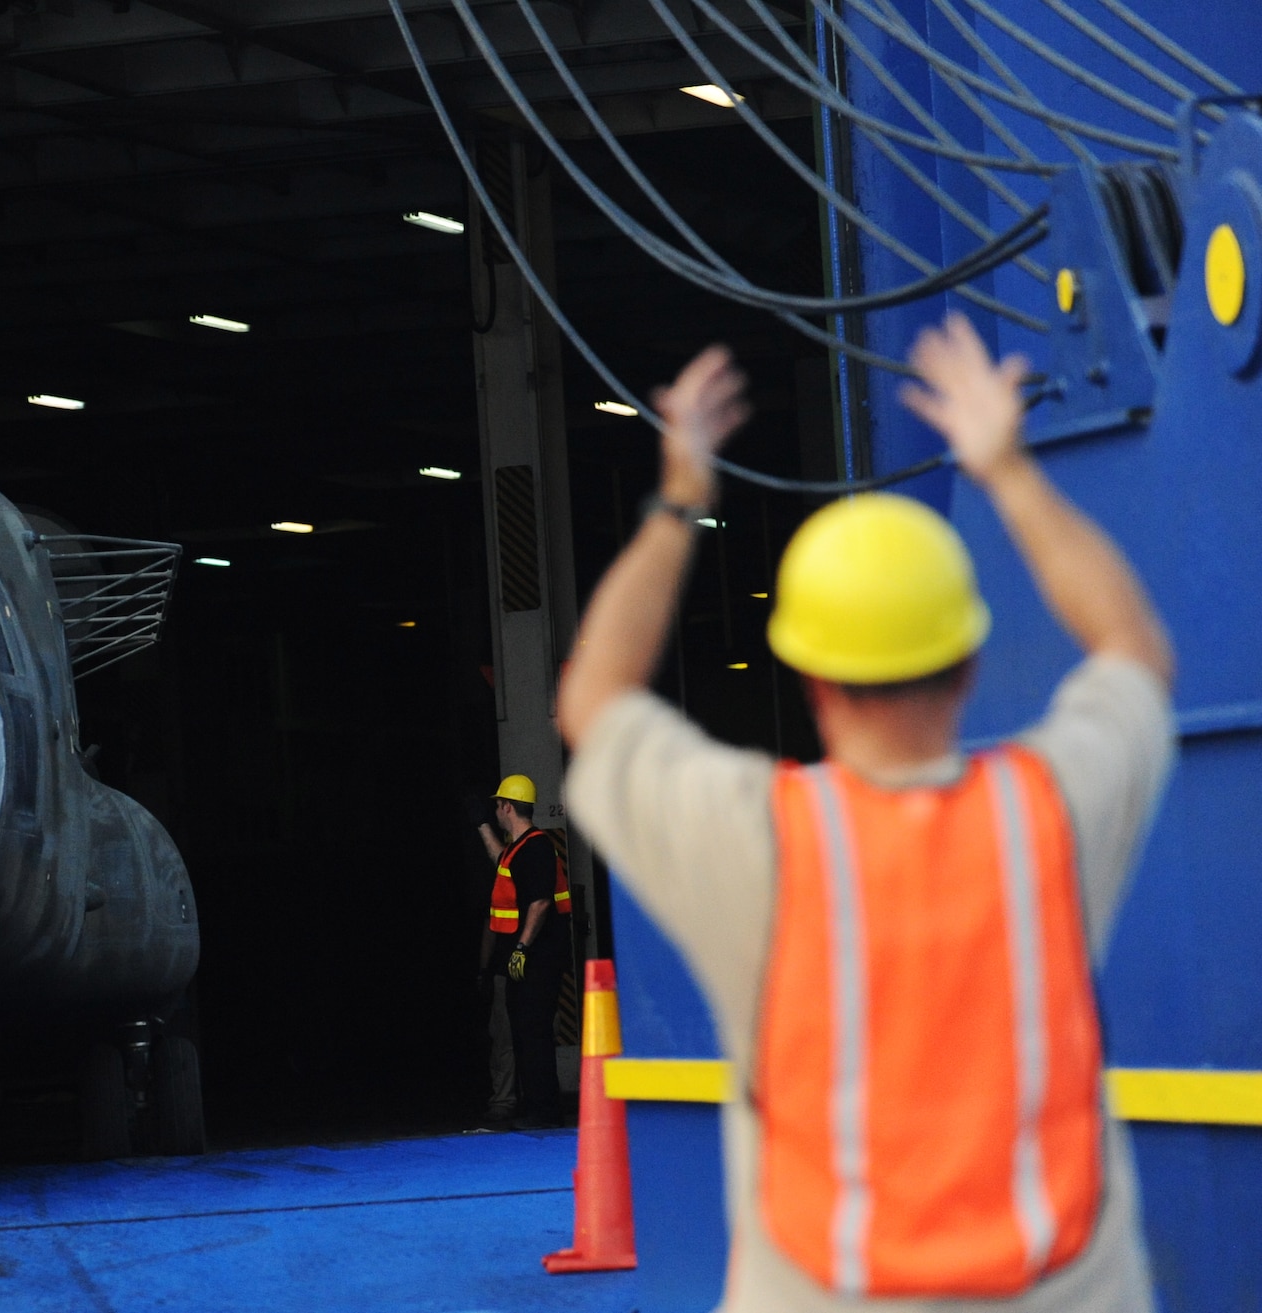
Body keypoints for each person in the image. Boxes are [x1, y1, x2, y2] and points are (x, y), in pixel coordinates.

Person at [555, 314, 1174, 1312]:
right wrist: (1004, 471)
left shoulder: (754, 838)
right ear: (970, 663)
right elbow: (1132, 648)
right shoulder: (1047, 813)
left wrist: (680, 497)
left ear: (808, 682)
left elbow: (591, 699)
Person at [477, 773, 572, 1129]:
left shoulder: (537, 846)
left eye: (497, 806)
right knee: (525, 1034)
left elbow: (541, 901)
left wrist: (521, 947)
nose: (496, 811)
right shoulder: (519, 848)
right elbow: (503, 861)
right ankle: (536, 1109)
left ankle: (544, 1112)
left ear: (507, 807)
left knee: (534, 1036)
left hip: (536, 962)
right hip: (523, 963)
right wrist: (482, 827)